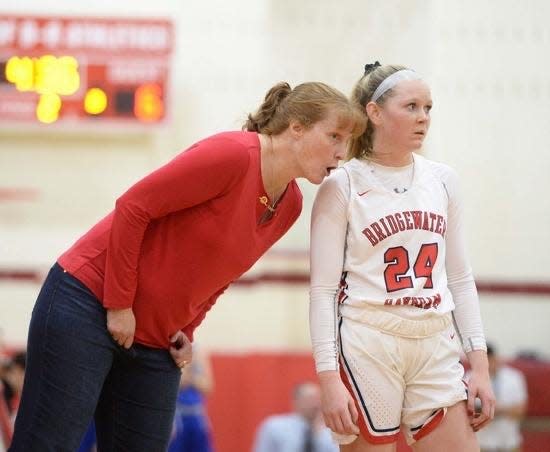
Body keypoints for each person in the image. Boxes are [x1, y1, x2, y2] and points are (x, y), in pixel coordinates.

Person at [9, 81, 365, 452]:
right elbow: (133, 207)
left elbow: (222, 273)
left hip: (156, 339)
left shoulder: (290, 204)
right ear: (297, 128)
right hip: (86, 303)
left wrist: (187, 329)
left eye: (347, 142)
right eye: (335, 136)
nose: (341, 152)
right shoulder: (233, 154)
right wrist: (118, 303)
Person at [309, 62, 496, 451]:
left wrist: (479, 363)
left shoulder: (443, 180)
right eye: (411, 107)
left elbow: (460, 278)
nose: (423, 118)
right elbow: (323, 292)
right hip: (368, 340)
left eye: (428, 108)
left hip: (433, 339)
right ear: (374, 113)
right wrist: (328, 378)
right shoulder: (342, 184)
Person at [253, 382, 338, 452]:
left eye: (318, 399)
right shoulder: (274, 426)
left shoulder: (331, 431)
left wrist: (319, 434)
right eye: (310, 399)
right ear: (296, 401)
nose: (316, 404)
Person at [476, 344, 527, 452]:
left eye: (491, 360)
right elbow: (467, 412)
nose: (489, 364)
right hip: (483, 443)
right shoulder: (470, 378)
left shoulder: (515, 377)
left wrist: (496, 410)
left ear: (496, 357)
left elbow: (521, 410)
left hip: (509, 441)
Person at [168, 344, 214, 452]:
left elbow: (208, 387)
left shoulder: (199, 352)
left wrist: (190, 375)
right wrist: (189, 367)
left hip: (196, 415)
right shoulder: (173, 349)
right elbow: (178, 382)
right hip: (177, 417)